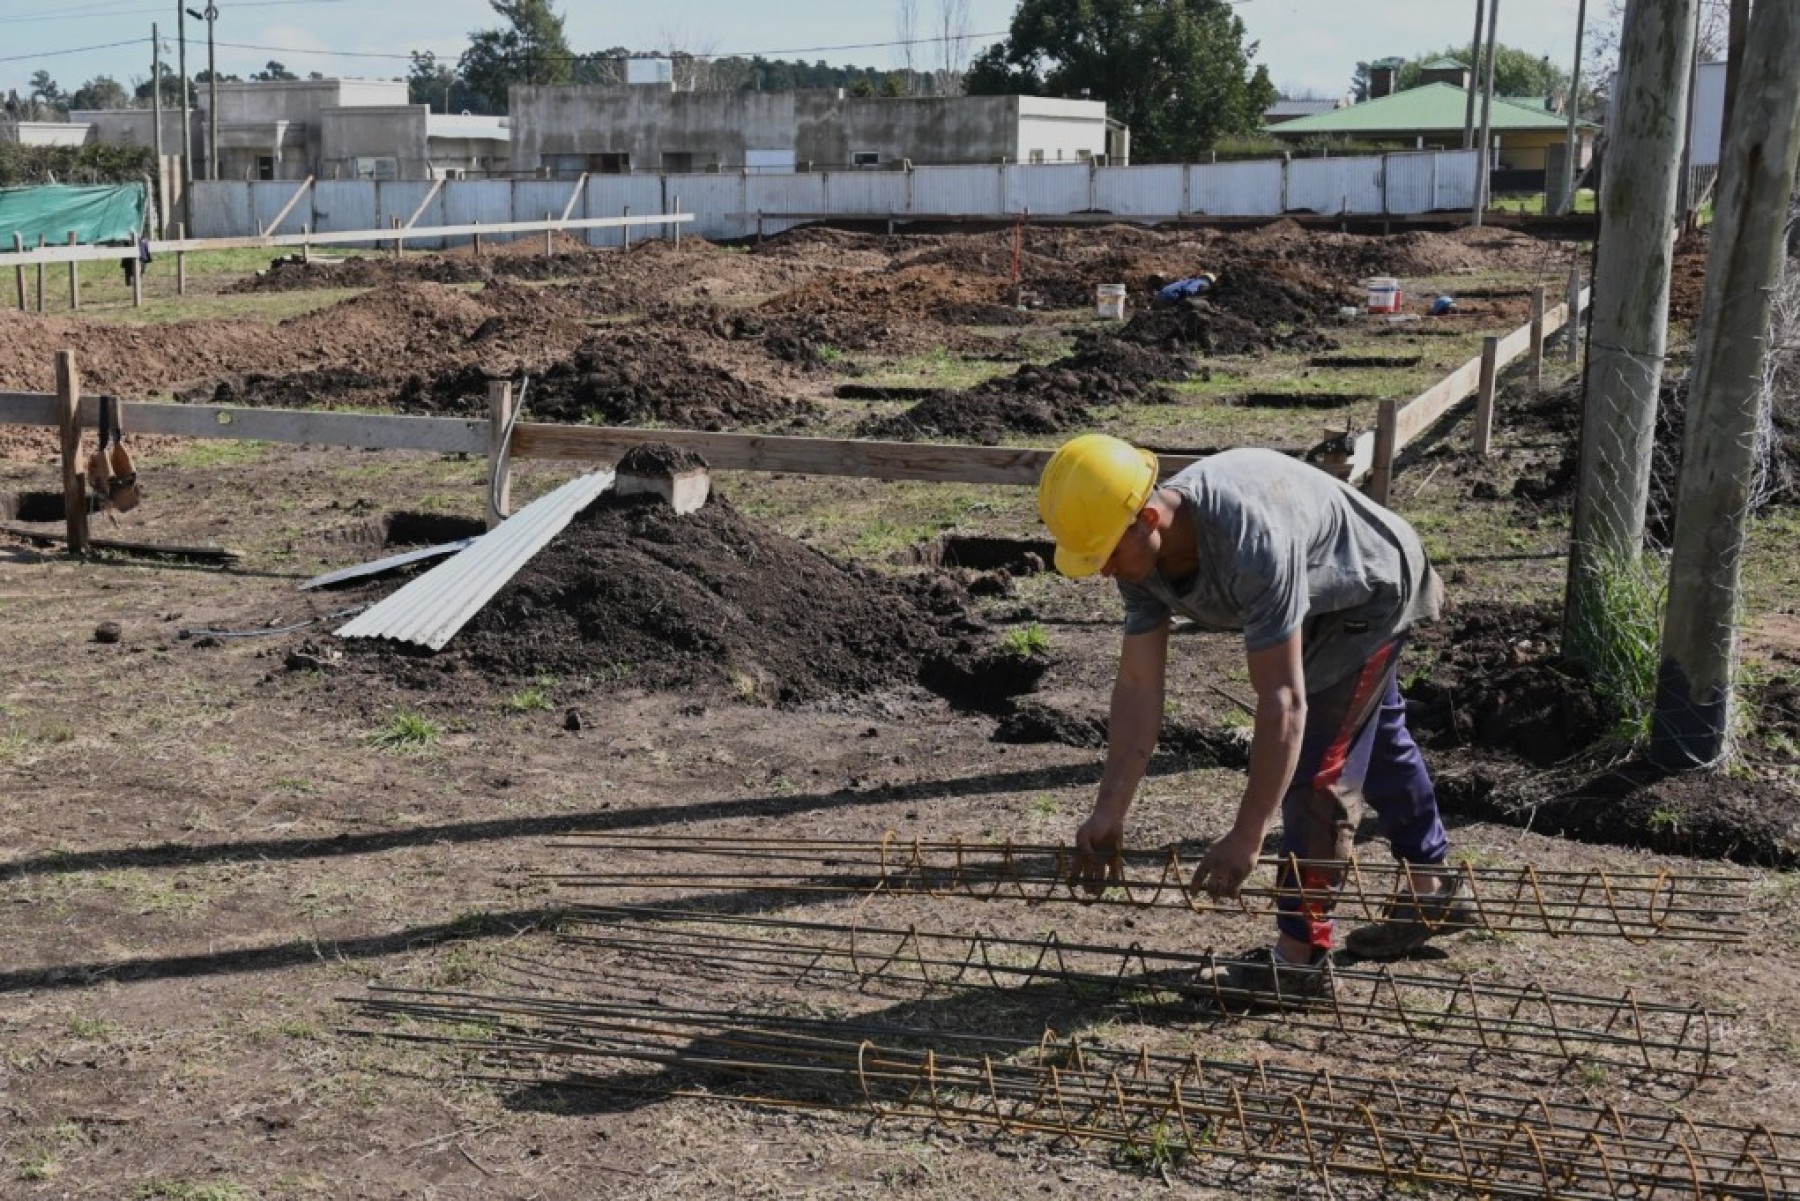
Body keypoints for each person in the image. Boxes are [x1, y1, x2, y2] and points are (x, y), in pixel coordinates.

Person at [1036, 434, 1471, 998]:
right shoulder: (1139, 563)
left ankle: (1300, 959)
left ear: (1148, 516)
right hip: (1315, 595)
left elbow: (1282, 701)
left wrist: (1248, 834)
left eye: (1107, 554)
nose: (1103, 571)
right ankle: (1432, 887)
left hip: (1370, 590)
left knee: (1319, 772)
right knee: (1374, 734)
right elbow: (1139, 686)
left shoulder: (1249, 539)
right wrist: (1108, 811)